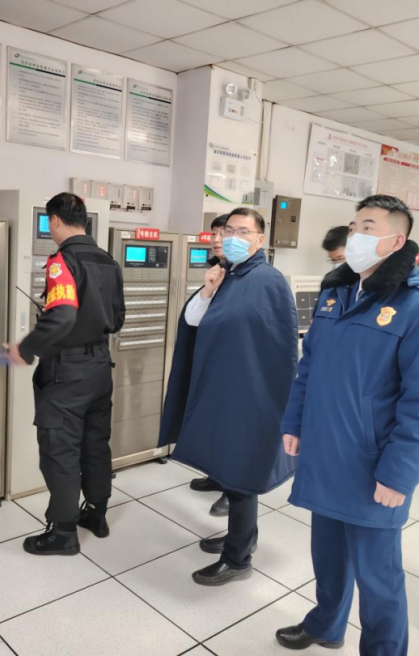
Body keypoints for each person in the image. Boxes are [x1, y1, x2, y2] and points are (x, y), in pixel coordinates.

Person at [275, 195, 419, 655]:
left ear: (396, 241)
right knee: (328, 555)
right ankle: (326, 624)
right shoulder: (336, 294)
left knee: (378, 575)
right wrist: (294, 422)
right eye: (354, 225)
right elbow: (308, 366)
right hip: (325, 451)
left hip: (372, 463)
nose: (356, 234)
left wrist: (399, 473)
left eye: (368, 227)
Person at [159, 207, 297, 586]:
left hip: (250, 397)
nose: (232, 237)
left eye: (242, 231)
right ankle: (241, 536)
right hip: (222, 388)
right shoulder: (227, 274)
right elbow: (193, 322)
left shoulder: (269, 281)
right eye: (228, 230)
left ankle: (238, 559)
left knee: (240, 475)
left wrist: (275, 405)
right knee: (228, 468)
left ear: (260, 239)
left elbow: (281, 350)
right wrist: (207, 291)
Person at [1, 192, 125, 556]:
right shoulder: (108, 261)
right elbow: (118, 318)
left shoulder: (62, 260)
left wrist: (25, 348)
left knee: (60, 449)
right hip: (100, 366)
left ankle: (63, 533)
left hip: (67, 372)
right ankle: (96, 514)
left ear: (54, 220)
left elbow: (64, 314)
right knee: (95, 444)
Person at [187, 214, 231, 519]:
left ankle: (232, 489)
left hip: (234, 368)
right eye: (213, 233)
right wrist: (207, 290)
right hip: (215, 361)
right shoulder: (219, 271)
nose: (215, 239)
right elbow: (193, 318)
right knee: (215, 424)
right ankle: (217, 475)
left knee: (232, 431)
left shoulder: (252, 277)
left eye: (223, 233)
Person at [320, 222, 354, 291]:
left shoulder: (366, 284)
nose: (337, 265)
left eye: (340, 258)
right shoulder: (328, 282)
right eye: (333, 260)